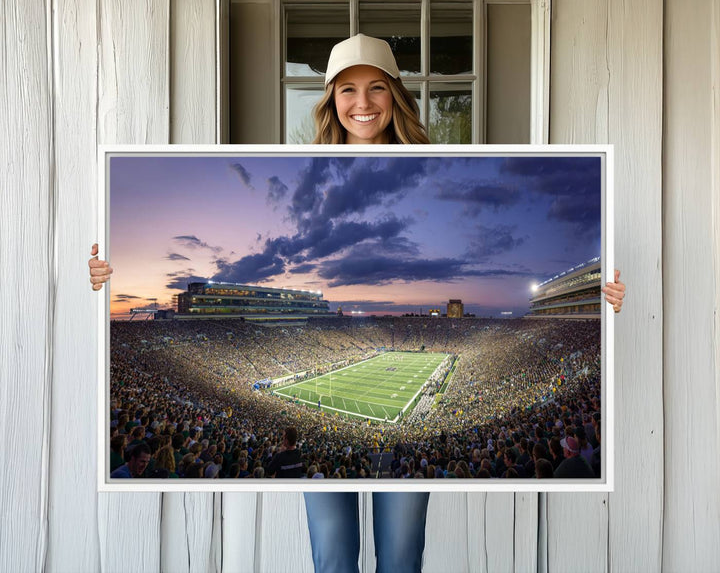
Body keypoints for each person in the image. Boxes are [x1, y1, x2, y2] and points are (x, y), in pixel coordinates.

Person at [89, 33, 627, 572]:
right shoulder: (303, 166)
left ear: (396, 95)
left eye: (376, 88)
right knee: (333, 560)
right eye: (347, 90)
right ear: (330, 100)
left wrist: (606, 301)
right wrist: (101, 279)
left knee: (399, 559)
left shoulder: (438, 163)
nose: (362, 103)